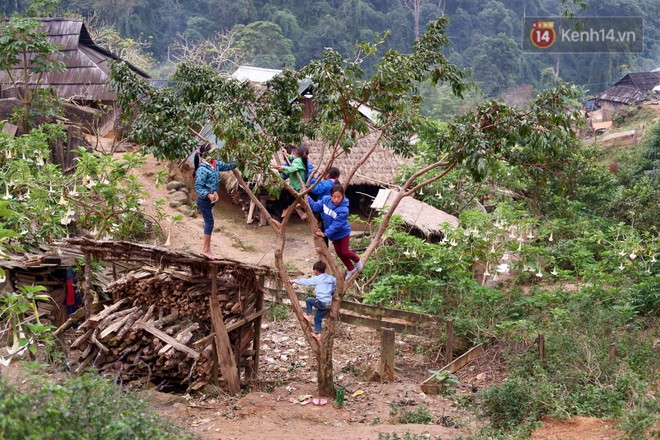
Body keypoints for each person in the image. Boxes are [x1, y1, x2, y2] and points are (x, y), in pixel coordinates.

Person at [308, 184, 363, 280]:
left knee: (345, 251)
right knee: (339, 253)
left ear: (343, 196)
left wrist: (325, 233)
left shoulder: (344, 210)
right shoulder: (325, 200)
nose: (336, 199)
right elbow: (316, 207)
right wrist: (306, 197)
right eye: (334, 197)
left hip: (343, 233)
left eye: (339, 197)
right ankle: (351, 268)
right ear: (330, 196)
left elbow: (336, 225)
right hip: (334, 235)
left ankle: (357, 260)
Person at [194, 143, 236, 260]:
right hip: (204, 201)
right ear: (207, 154)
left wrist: (239, 159)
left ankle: (207, 249)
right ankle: (206, 250)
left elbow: (228, 166)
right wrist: (208, 195)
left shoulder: (215, 164)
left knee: (209, 223)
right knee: (210, 223)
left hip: (211, 201)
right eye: (214, 151)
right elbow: (198, 187)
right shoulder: (202, 169)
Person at [290, 260, 336, 341]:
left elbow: (306, 281)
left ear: (315, 271)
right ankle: (318, 334)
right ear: (324, 269)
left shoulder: (317, 279)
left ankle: (309, 315)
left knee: (309, 300)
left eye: (314, 270)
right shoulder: (331, 278)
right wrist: (332, 292)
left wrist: (294, 281)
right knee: (317, 318)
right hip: (329, 304)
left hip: (321, 302)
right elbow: (337, 284)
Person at [274, 145, 310, 219]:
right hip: (297, 187)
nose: (292, 155)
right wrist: (286, 155)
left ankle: (286, 208)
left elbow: (292, 168)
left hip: (297, 187)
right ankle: (297, 208)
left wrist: (283, 168)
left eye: (294, 154)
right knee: (290, 198)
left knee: (283, 191)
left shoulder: (297, 161)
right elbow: (290, 169)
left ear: (297, 154)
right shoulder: (301, 160)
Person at [310, 167, 341, 246]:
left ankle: (325, 249)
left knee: (323, 230)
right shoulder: (337, 183)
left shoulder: (326, 183)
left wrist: (314, 178)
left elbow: (314, 189)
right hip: (333, 209)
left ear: (328, 175)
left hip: (324, 209)